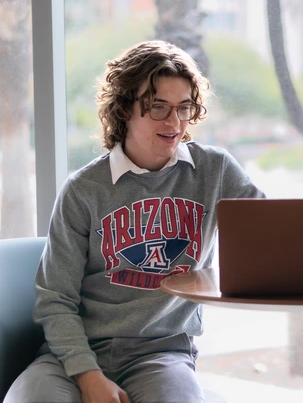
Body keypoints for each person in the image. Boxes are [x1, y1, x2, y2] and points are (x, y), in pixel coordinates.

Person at [5, 40, 265, 403]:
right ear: (125, 107)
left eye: (184, 107)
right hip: (70, 356)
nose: (174, 122)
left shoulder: (214, 171)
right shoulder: (84, 190)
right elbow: (55, 299)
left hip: (162, 354)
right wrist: (88, 376)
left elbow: (273, 234)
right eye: (158, 107)